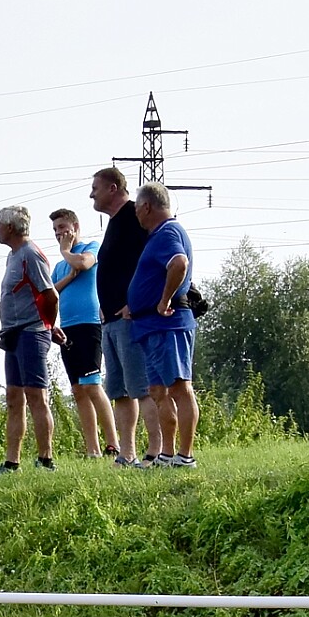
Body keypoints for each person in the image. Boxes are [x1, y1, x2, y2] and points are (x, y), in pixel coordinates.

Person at [89, 166, 160, 467]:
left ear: (113, 188)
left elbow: (151, 262)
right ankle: (127, 453)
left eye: (95, 188)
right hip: (111, 321)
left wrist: (135, 303)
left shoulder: (134, 216)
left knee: (142, 387)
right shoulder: (114, 223)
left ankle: (156, 452)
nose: (91, 194)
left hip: (131, 320)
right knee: (120, 391)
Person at [125, 184, 197, 468]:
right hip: (150, 326)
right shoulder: (157, 236)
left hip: (168, 324)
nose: (136, 214)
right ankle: (167, 454)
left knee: (179, 387)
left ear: (146, 207)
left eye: (136, 208)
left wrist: (164, 299)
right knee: (158, 390)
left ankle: (185, 456)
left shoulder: (168, 232)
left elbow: (179, 263)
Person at [0, 205, 65, 475]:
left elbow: (50, 295)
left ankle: (46, 459)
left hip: (31, 333)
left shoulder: (31, 255)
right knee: (13, 397)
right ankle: (12, 462)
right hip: (12, 334)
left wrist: (49, 326)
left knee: (36, 395)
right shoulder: (12, 256)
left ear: (11, 227)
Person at [50, 209, 110, 460]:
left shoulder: (90, 247)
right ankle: (92, 449)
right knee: (77, 389)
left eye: (62, 227)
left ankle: (113, 445)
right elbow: (50, 293)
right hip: (67, 328)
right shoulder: (59, 267)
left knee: (92, 385)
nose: (59, 233)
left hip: (89, 324)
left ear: (75, 226)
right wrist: (69, 275)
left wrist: (66, 251)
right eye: (55, 230)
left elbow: (83, 264)